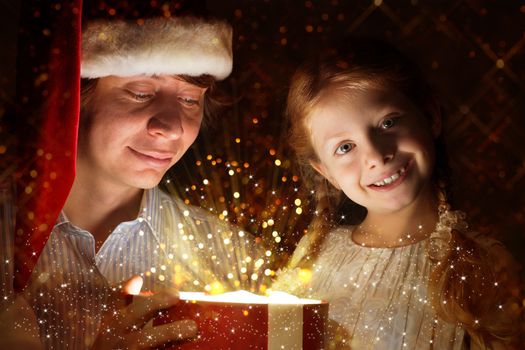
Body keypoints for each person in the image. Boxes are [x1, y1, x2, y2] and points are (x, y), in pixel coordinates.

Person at [2, 16, 267, 349]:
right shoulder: (5, 238)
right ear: (74, 97)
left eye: (189, 100)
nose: (172, 127)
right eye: (141, 93)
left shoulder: (233, 260)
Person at [273, 39, 521, 349]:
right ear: (326, 172)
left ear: (430, 116)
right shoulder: (314, 256)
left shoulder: (486, 265)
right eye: (345, 147)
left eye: (388, 122)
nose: (376, 155)